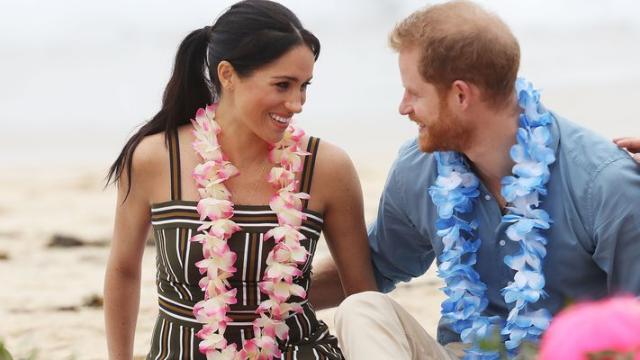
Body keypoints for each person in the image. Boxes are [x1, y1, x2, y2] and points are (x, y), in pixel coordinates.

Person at [311, 1, 640, 359]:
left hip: (565, 354)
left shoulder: (603, 183)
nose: (403, 107)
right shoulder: (420, 168)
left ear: (460, 95)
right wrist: (268, 294)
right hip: (464, 352)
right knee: (362, 311)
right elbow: (373, 266)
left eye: (414, 92)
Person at [103, 1, 376, 359]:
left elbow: (362, 297)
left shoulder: (326, 168)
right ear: (228, 75)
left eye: (304, 86)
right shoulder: (155, 158)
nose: (296, 103)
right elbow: (123, 270)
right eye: (282, 85)